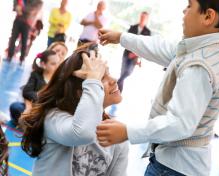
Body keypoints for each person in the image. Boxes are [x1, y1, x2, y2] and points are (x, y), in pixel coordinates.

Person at [97, 0, 219, 175]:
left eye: (189, 6)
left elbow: (179, 124)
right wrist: (121, 37)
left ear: (208, 16)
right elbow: (162, 48)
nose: (184, 11)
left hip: (173, 168)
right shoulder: (206, 49)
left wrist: (128, 132)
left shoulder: (199, 65)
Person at [19, 45, 128, 176]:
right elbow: (83, 133)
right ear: (80, 92)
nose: (114, 80)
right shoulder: (54, 118)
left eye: (108, 73)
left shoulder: (116, 133)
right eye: (102, 77)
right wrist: (93, 80)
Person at [9, 50, 60, 126]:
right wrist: (43, 98)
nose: (57, 66)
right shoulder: (36, 75)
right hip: (32, 108)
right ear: (43, 64)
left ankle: (30, 124)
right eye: (53, 64)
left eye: (58, 63)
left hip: (45, 111)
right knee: (15, 107)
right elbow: (26, 92)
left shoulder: (58, 80)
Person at [118, 11, 151, 93]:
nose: (142, 19)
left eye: (144, 17)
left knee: (128, 72)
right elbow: (125, 40)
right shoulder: (132, 28)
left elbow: (145, 47)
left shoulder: (148, 32)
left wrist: (136, 55)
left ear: (147, 19)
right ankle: (118, 92)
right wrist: (130, 52)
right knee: (123, 72)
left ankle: (117, 85)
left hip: (135, 57)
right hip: (127, 54)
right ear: (140, 17)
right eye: (141, 17)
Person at [7, 0, 43, 65]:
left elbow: (32, 10)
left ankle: (22, 59)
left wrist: (20, 8)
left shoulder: (39, 2)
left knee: (24, 41)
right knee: (13, 38)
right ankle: (9, 56)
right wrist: (16, 7)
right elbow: (16, 3)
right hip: (18, 20)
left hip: (28, 24)